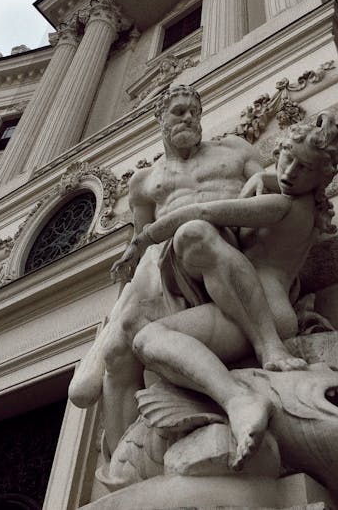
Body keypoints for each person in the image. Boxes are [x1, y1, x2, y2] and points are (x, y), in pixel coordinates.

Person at [124, 111, 338, 468]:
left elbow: (205, 211)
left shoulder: (282, 204)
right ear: (279, 152)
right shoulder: (292, 194)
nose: (289, 174)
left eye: (303, 169)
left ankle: (238, 395)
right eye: (287, 160)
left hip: (264, 315)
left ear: (321, 177)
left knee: (151, 335)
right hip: (246, 303)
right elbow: (278, 178)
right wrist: (260, 174)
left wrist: (144, 238)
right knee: (145, 337)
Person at [69, 85, 269, 455]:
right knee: (115, 353)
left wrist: (264, 179)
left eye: (194, 111)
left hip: (224, 249)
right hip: (164, 269)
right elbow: (141, 241)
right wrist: (124, 294)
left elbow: (276, 190)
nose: (189, 117)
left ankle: (259, 354)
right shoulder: (144, 181)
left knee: (195, 235)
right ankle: (125, 461)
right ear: (160, 119)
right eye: (178, 112)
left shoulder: (235, 150)